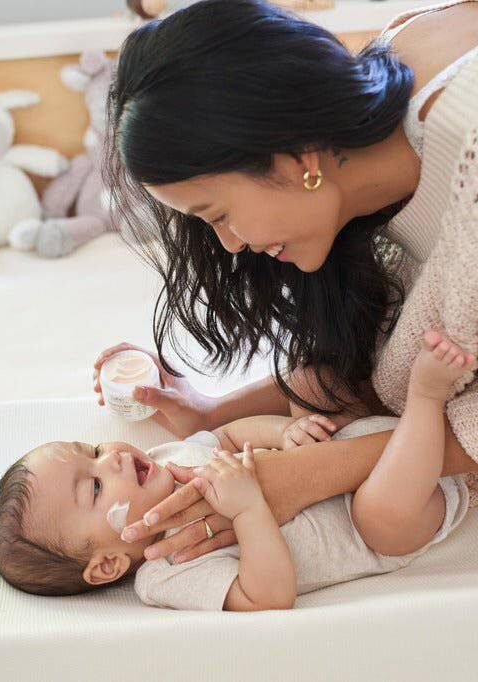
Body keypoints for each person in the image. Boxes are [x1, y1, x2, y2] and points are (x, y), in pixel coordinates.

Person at [98, 0, 478, 562]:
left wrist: (311, 473)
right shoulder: (366, 138)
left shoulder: (464, 146)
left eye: (217, 214)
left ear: (297, 159)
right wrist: (214, 414)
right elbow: (385, 343)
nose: (228, 243)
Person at [0, 331, 475, 608]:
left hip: (349, 442)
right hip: (389, 517)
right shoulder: (164, 576)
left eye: (91, 448)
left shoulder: (166, 462)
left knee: (311, 378)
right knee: (379, 516)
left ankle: (416, 414)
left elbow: (230, 436)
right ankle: (427, 402)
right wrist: (248, 512)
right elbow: (267, 596)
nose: (109, 456)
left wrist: (281, 436)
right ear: (108, 563)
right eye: (93, 485)